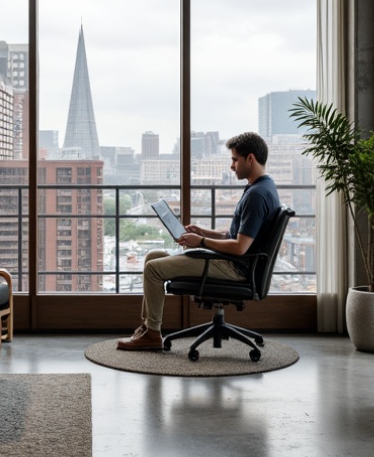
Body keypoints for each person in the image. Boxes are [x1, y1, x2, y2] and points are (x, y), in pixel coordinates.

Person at [117, 131, 281, 351]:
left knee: (154, 269)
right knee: (152, 257)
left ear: (250, 159)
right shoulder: (261, 187)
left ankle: (153, 335)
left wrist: (200, 242)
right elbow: (237, 237)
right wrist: (205, 232)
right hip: (234, 261)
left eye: (235, 160)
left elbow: (240, 247)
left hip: (234, 267)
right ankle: (148, 326)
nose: (232, 166)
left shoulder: (256, 196)